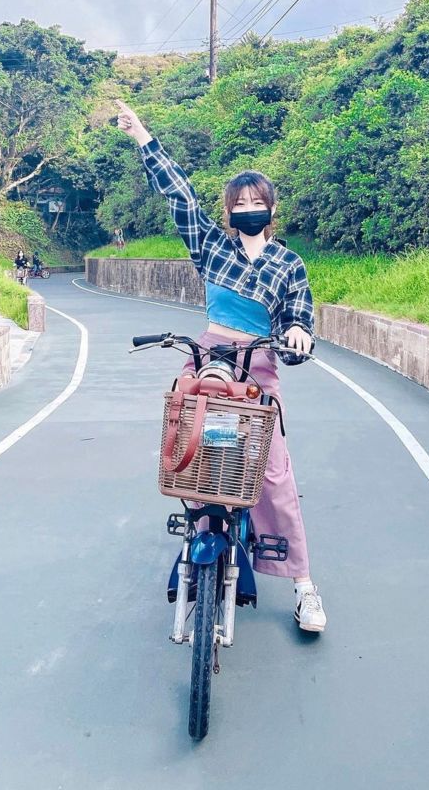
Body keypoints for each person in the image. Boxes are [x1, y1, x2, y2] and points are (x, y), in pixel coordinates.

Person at [115, 99, 327, 633]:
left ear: (271, 210)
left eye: (257, 202)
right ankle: (200, 533)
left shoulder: (289, 264)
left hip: (259, 367)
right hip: (210, 360)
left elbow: (299, 320)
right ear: (229, 211)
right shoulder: (212, 246)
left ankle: (304, 586)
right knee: (196, 450)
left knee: (272, 471)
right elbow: (179, 195)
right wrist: (143, 136)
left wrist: (298, 335)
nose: (247, 209)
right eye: (239, 203)